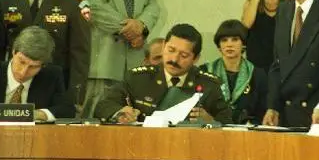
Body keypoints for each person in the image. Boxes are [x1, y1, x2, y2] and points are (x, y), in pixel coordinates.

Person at [0, 0, 91, 107]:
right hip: (14, 86)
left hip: (54, 88)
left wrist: (74, 99)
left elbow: (80, 57)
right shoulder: (5, 0)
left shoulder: (72, 2)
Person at [95, 23, 231, 124]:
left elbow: (228, 122)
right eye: (171, 50)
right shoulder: (138, 78)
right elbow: (104, 105)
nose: (174, 59)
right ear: (164, 45)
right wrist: (120, 113)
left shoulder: (208, 85)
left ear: (195, 59)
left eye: (183, 55)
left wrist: (210, 120)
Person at [201, 19, 267, 124]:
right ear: (219, 46)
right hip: (212, 129)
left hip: (247, 131)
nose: (229, 44)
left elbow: (262, 113)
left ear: (243, 44)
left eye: (235, 39)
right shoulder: (204, 72)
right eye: (224, 40)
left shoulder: (257, 74)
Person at [241, 0, 280, 73]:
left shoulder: (290, 6)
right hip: (256, 70)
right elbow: (245, 25)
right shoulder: (251, 4)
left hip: (281, 70)